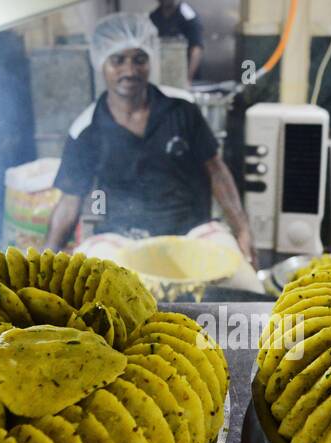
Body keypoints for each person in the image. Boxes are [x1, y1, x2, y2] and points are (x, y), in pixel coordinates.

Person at [46, 13, 255, 267]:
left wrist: (242, 231)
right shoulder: (86, 130)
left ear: (151, 60)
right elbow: (70, 201)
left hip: (191, 235)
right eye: (118, 60)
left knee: (238, 275)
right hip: (120, 240)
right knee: (94, 289)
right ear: (101, 63)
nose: (130, 71)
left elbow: (217, 171)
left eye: (139, 59)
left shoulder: (182, 111)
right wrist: (49, 254)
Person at [150, 1, 204, 83]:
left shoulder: (187, 15)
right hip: (164, 75)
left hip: (187, 75)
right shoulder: (155, 16)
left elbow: (196, 50)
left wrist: (188, 79)